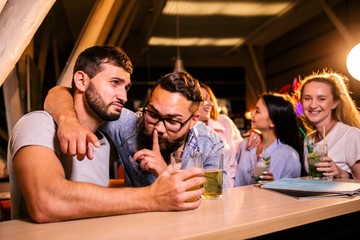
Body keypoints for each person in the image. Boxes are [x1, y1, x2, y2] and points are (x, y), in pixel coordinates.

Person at [8, 46, 205, 223]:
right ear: (81, 80)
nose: (124, 96)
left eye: (126, 87)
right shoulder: (37, 123)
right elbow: (46, 202)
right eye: (115, 83)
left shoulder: (101, 142)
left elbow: (88, 197)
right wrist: (152, 196)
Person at [44, 71, 224, 187]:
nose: (159, 128)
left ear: (193, 120)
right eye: (152, 114)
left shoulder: (210, 143)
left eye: (172, 121)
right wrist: (68, 121)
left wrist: (164, 173)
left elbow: (213, 203)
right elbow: (60, 92)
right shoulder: (128, 126)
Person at [297, 70, 360, 179]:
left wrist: (342, 173)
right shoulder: (308, 139)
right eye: (307, 98)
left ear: (334, 103)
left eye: (321, 99)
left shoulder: (350, 135)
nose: (313, 105)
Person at [234, 93, 304, 186]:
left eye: (257, 111)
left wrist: (273, 186)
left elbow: (293, 193)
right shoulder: (245, 145)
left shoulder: (288, 155)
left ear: (272, 122)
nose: (252, 113)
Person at [198, 83, 259, 187]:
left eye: (210, 99)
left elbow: (243, 151)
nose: (210, 104)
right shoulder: (186, 131)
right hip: (206, 190)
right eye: (204, 99)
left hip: (235, 187)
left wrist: (255, 134)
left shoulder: (224, 122)